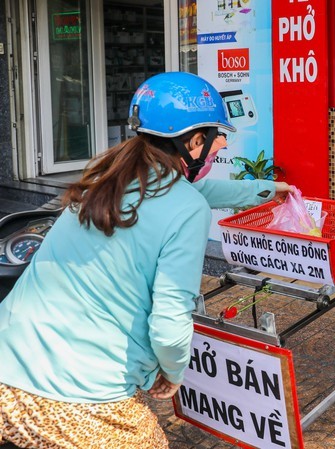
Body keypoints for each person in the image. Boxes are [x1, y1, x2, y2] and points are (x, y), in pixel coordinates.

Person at [0, 72, 292, 448]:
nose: (222, 142)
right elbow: (170, 321)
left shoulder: (109, 175)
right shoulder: (184, 207)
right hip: (71, 394)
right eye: (217, 134)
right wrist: (173, 373)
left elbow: (200, 189)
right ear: (194, 141)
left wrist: (266, 190)